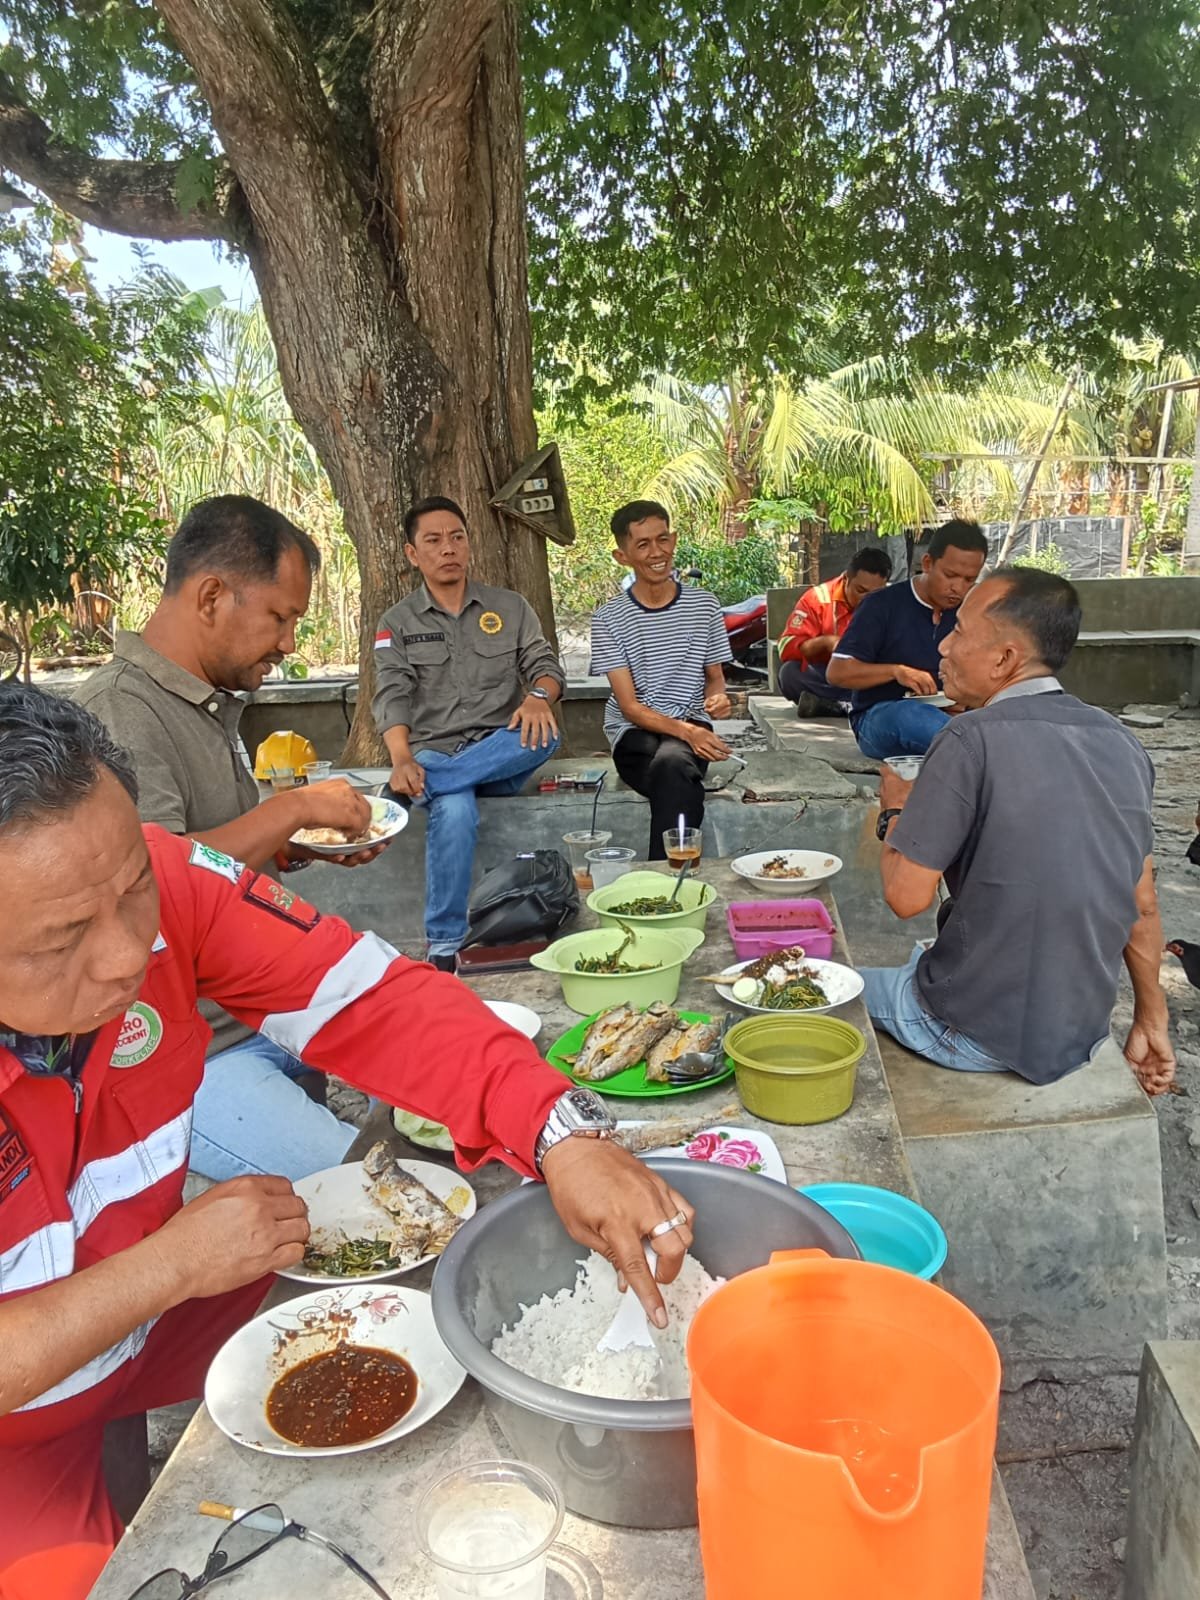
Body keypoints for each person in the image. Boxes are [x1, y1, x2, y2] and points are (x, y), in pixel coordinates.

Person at [0, 686, 693, 1600]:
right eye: (60, 943)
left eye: (134, 890)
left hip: (149, 1330)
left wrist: (561, 1132)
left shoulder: (165, 877)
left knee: (434, 1292)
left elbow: (370, 998)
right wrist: (167, 1266)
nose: (129, 953)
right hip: (20, 1427)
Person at [77, 495, 389, 1183]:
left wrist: (297, 843)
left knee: (430, 1072)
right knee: (376, 1188)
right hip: (198, 1050)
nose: (289, 643)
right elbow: (157, 884)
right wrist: (295, 807)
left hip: (267, 1004)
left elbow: (218, 853)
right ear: (212, 596)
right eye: (280, 617)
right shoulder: (118, 714)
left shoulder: (205, 700)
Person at [861, 567, 1176, 1094]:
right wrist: (1151, 1019)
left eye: (959, 631)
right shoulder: (1122, 741)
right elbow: (1141, 903)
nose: (944, 646)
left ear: (1005, 659)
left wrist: (896, 811)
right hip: (1078, 1033)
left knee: (829, 985)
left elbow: (905, 896)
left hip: (969, 1033)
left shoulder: (967, 739)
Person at [372, 497, 564, 970]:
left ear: (469, 544)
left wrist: (538, 696)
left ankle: (419, 791)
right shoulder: (397, 622)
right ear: (412, 553)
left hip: (500, 750)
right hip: (433, 752)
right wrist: (401, 759)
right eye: (434, 540)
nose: (448, 548)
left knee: (544, 733)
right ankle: (444, 947)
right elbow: (392, 693)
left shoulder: (510, 607)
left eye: (457, 537)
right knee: (455, 807)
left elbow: (545, 666)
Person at [590, 501, 733, 860]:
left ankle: (661, 877)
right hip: (634, 734)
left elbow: (715, 679)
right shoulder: (608, 618)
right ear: (622, 556)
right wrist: (689, 733)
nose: (657, 552)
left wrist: (718, 699)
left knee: (673, 766)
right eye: (643, 544)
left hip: (689, 727)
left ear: (674, 540)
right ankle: (677, 871)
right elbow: (630, 707)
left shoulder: (704, 605)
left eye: (663, 539)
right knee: (674, 768)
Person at [826, 520, 989, 759]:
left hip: (954, 716)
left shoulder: (974, 609)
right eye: (950, 575)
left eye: (969, 579)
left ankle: (970, 751)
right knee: (912, 716)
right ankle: (983, 756)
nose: (958, 588)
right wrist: (897, 672)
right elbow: (837, 673)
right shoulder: (882, 605)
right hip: (881, 717)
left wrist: (966, 701)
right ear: (927, 563)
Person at [778, 547, 893, 716]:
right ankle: (857, 705)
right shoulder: (817, 599)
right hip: (832, 676)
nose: (867, 600)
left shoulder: (891, 601)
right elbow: (786, 646)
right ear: (846, 578)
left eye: (875, 594)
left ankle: (836, 706)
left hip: (870, 676)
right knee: (789, 674)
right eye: (860, 591)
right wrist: (826, 643)